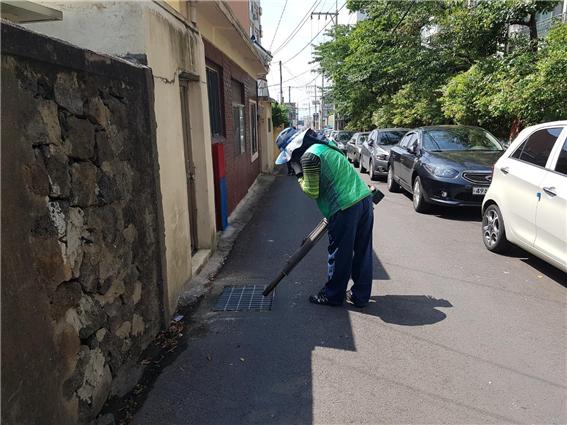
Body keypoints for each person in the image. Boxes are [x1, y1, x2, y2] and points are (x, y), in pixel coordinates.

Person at [275, 128, 374, 307]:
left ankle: (333, 295)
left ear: (294, 149)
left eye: (290, 157)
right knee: (363, 251)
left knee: (339, 254)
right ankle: (360, 296)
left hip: (344, 207)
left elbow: (312, 191)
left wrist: (298, 174)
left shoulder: (309, 157)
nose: (290, 161)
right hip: (364, 199)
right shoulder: (326, 146)